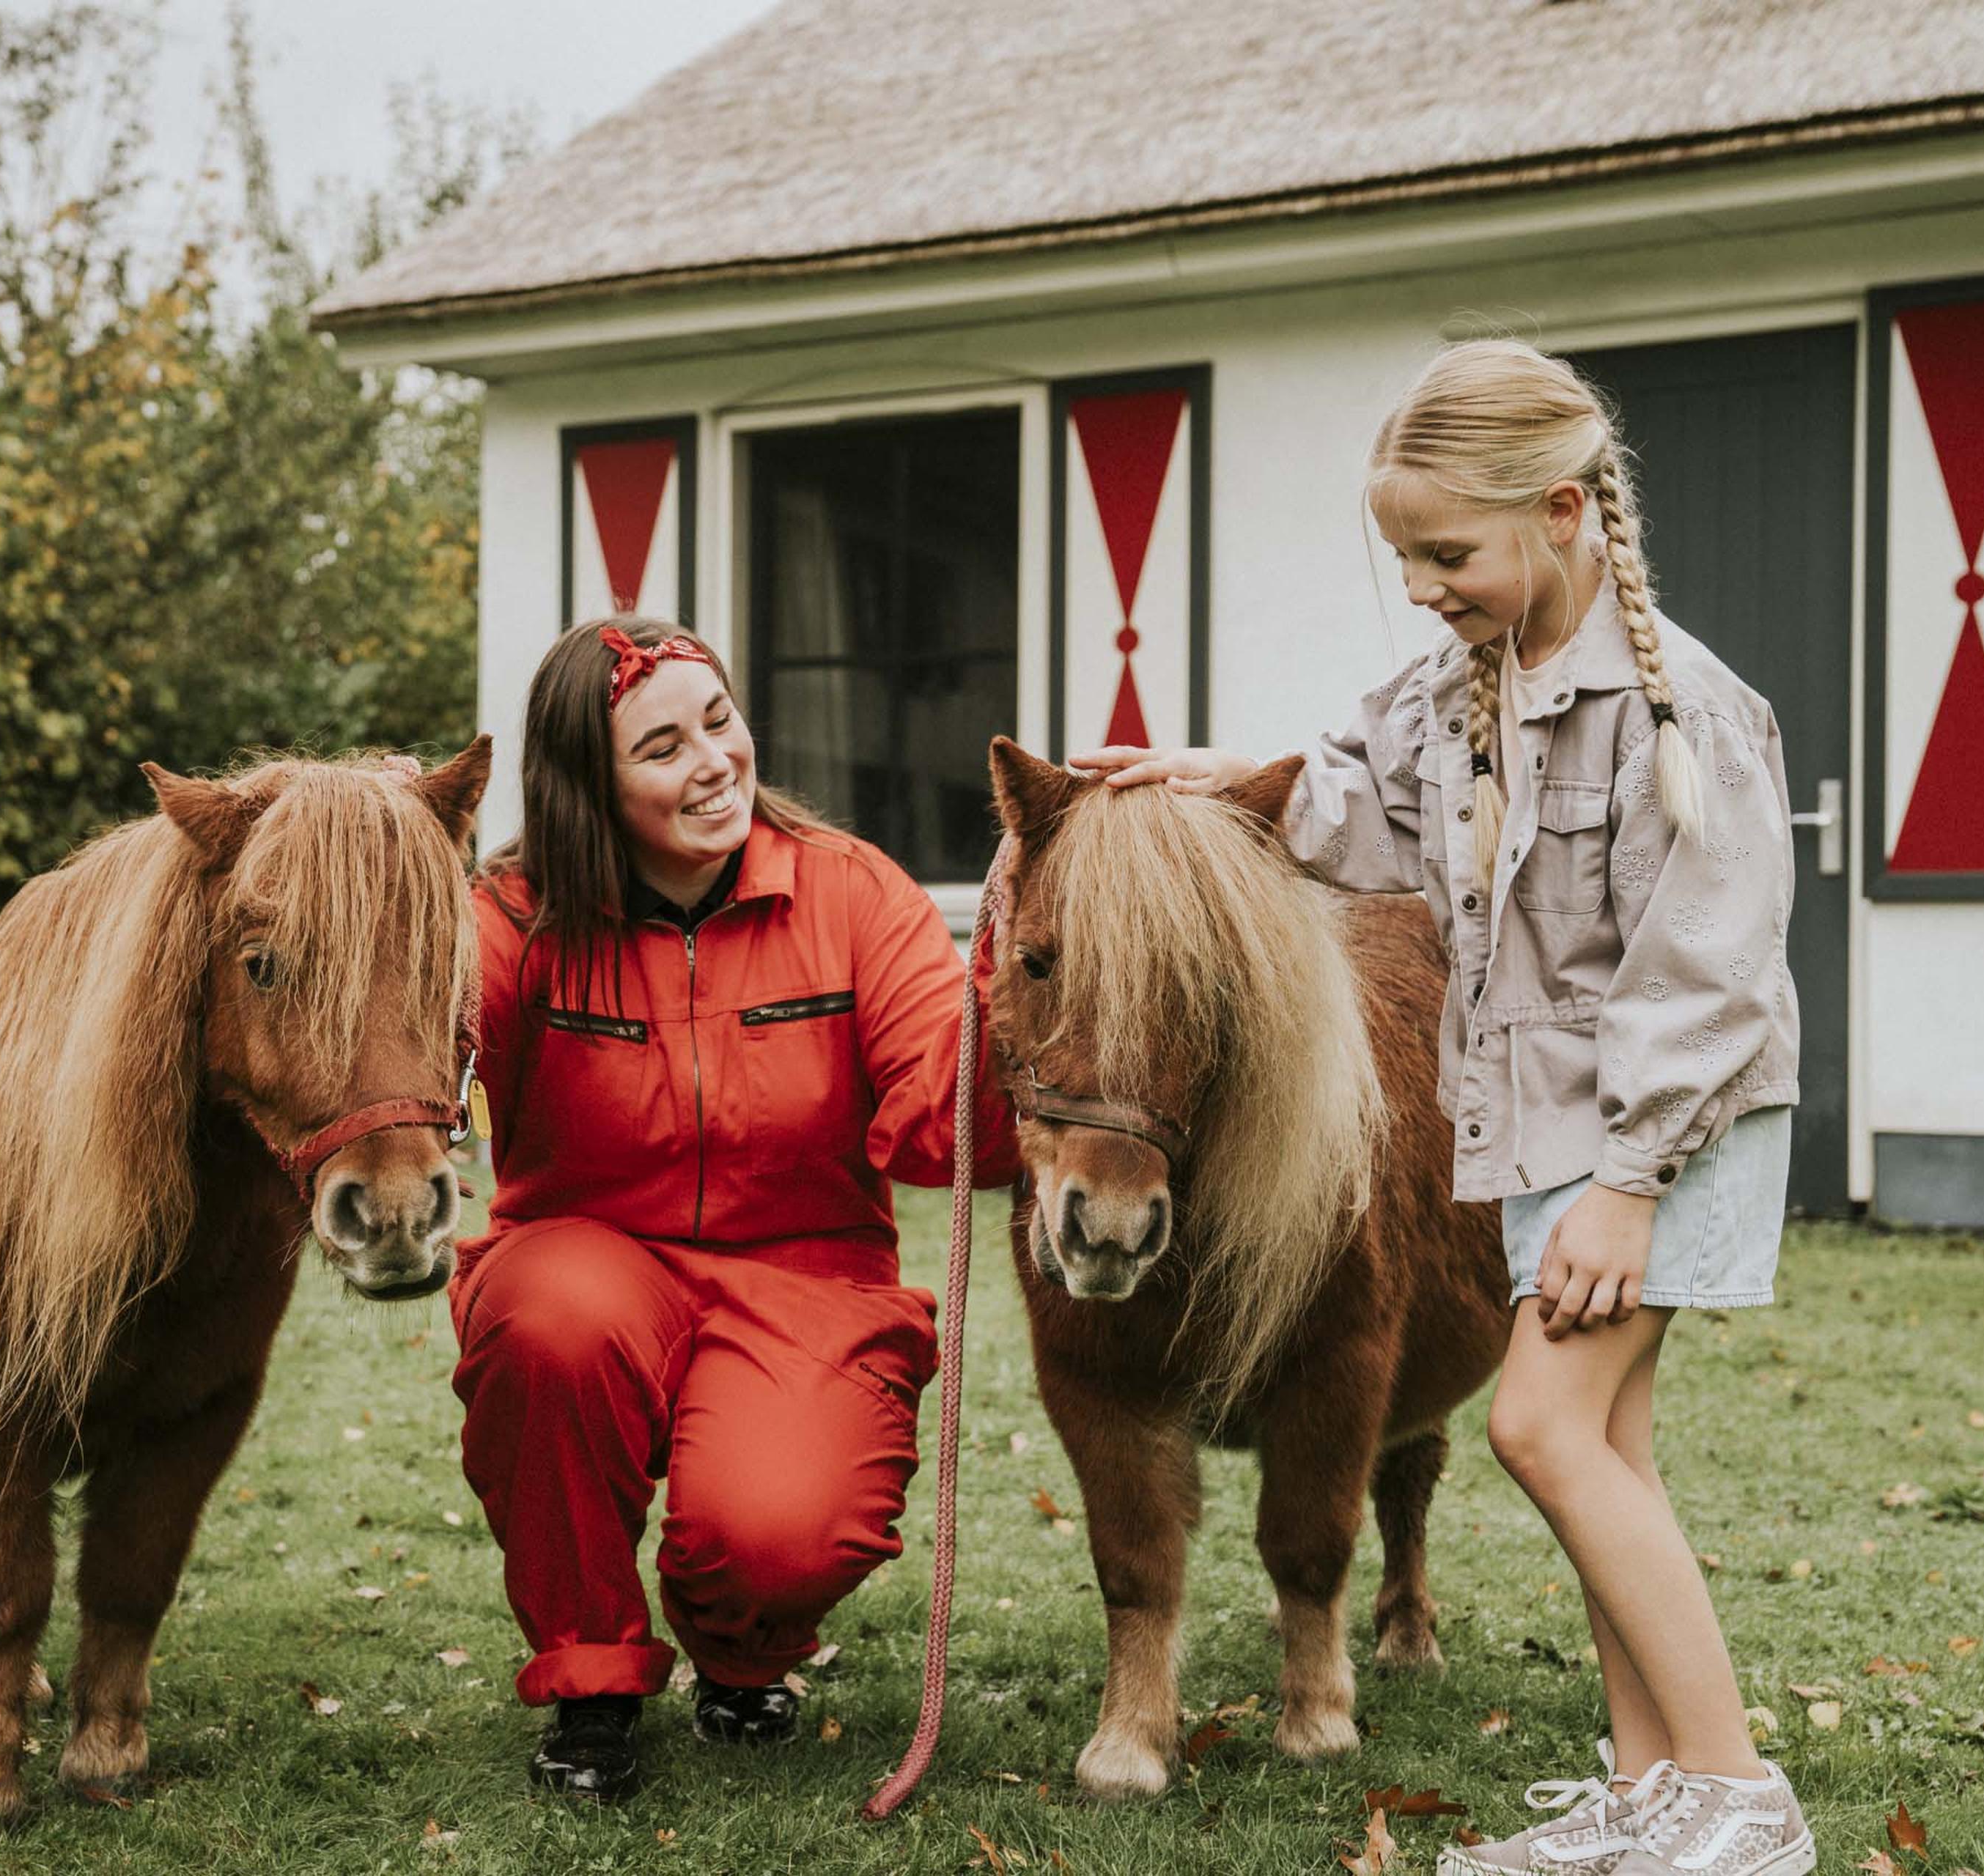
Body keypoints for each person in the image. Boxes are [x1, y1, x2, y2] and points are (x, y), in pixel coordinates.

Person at [1080, 340, 1812, 1876]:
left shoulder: (1688, 717)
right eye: (1403, 553)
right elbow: (1362, 816)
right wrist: (1227, 781)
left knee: (1543, 1428)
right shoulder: (1454, 695)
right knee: (1613, 1449)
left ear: (1562, 511)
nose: (1420, 582)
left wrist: (1627, 1178)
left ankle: (1738, 1794)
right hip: (1547, 1132)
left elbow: (1711, 969)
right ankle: (1654, 1782)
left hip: (1654, 1140)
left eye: (1446, 552)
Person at [451, 616, 1017, 1803]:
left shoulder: (854, 894)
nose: (713, 762)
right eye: (662, 748)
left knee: (784, 1530)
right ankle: (592, 1680)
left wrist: (1015, 1025)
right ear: (588, 790)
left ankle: (743, 1653)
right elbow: (428, 1043)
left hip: (806, 1273)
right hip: (589, 1254)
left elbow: (939, 1111)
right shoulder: (513, 918)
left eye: (721, 722)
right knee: (550, 1324)